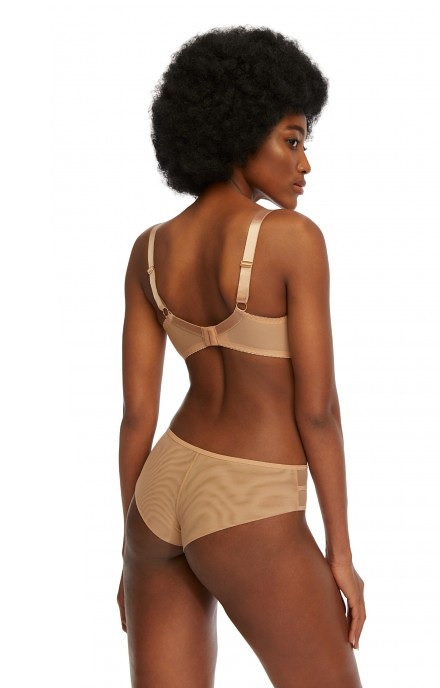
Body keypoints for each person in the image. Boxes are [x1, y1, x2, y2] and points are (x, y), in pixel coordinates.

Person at [117, 26, 366, 687]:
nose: (305, 164)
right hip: (247, 499)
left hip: (157, 498)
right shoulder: (291, 239)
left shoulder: (148, 251)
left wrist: (129, 548)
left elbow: (136, 416)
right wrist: (340, 554)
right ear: (238, 131)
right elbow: (318, 411)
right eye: (292, 140)